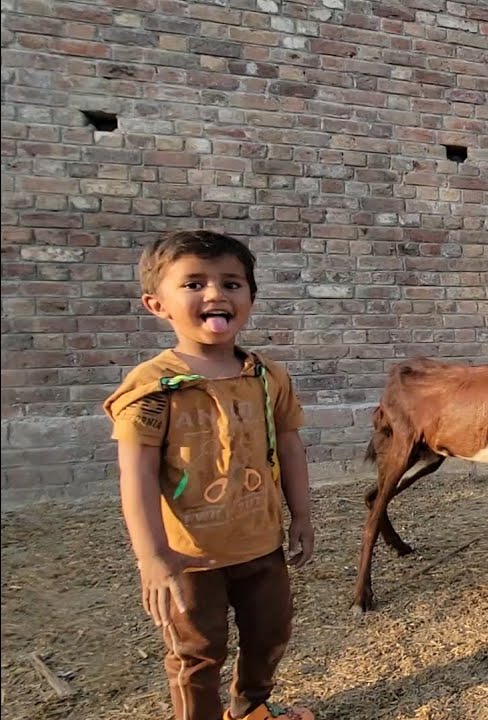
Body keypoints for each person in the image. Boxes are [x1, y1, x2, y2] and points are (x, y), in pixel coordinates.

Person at [104, 230, 316, 720]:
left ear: (251, 298)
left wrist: (301, 514)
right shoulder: (154, 387)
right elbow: (134, 473)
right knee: (198, 653)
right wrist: (154, 556)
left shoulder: (266, 377)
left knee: (271, 632)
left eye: (232, 283)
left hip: (261, 545)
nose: (216, 294)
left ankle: (250, 708)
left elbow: (288, 444)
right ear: (157, 304)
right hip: (190, 559)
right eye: (194, 283)